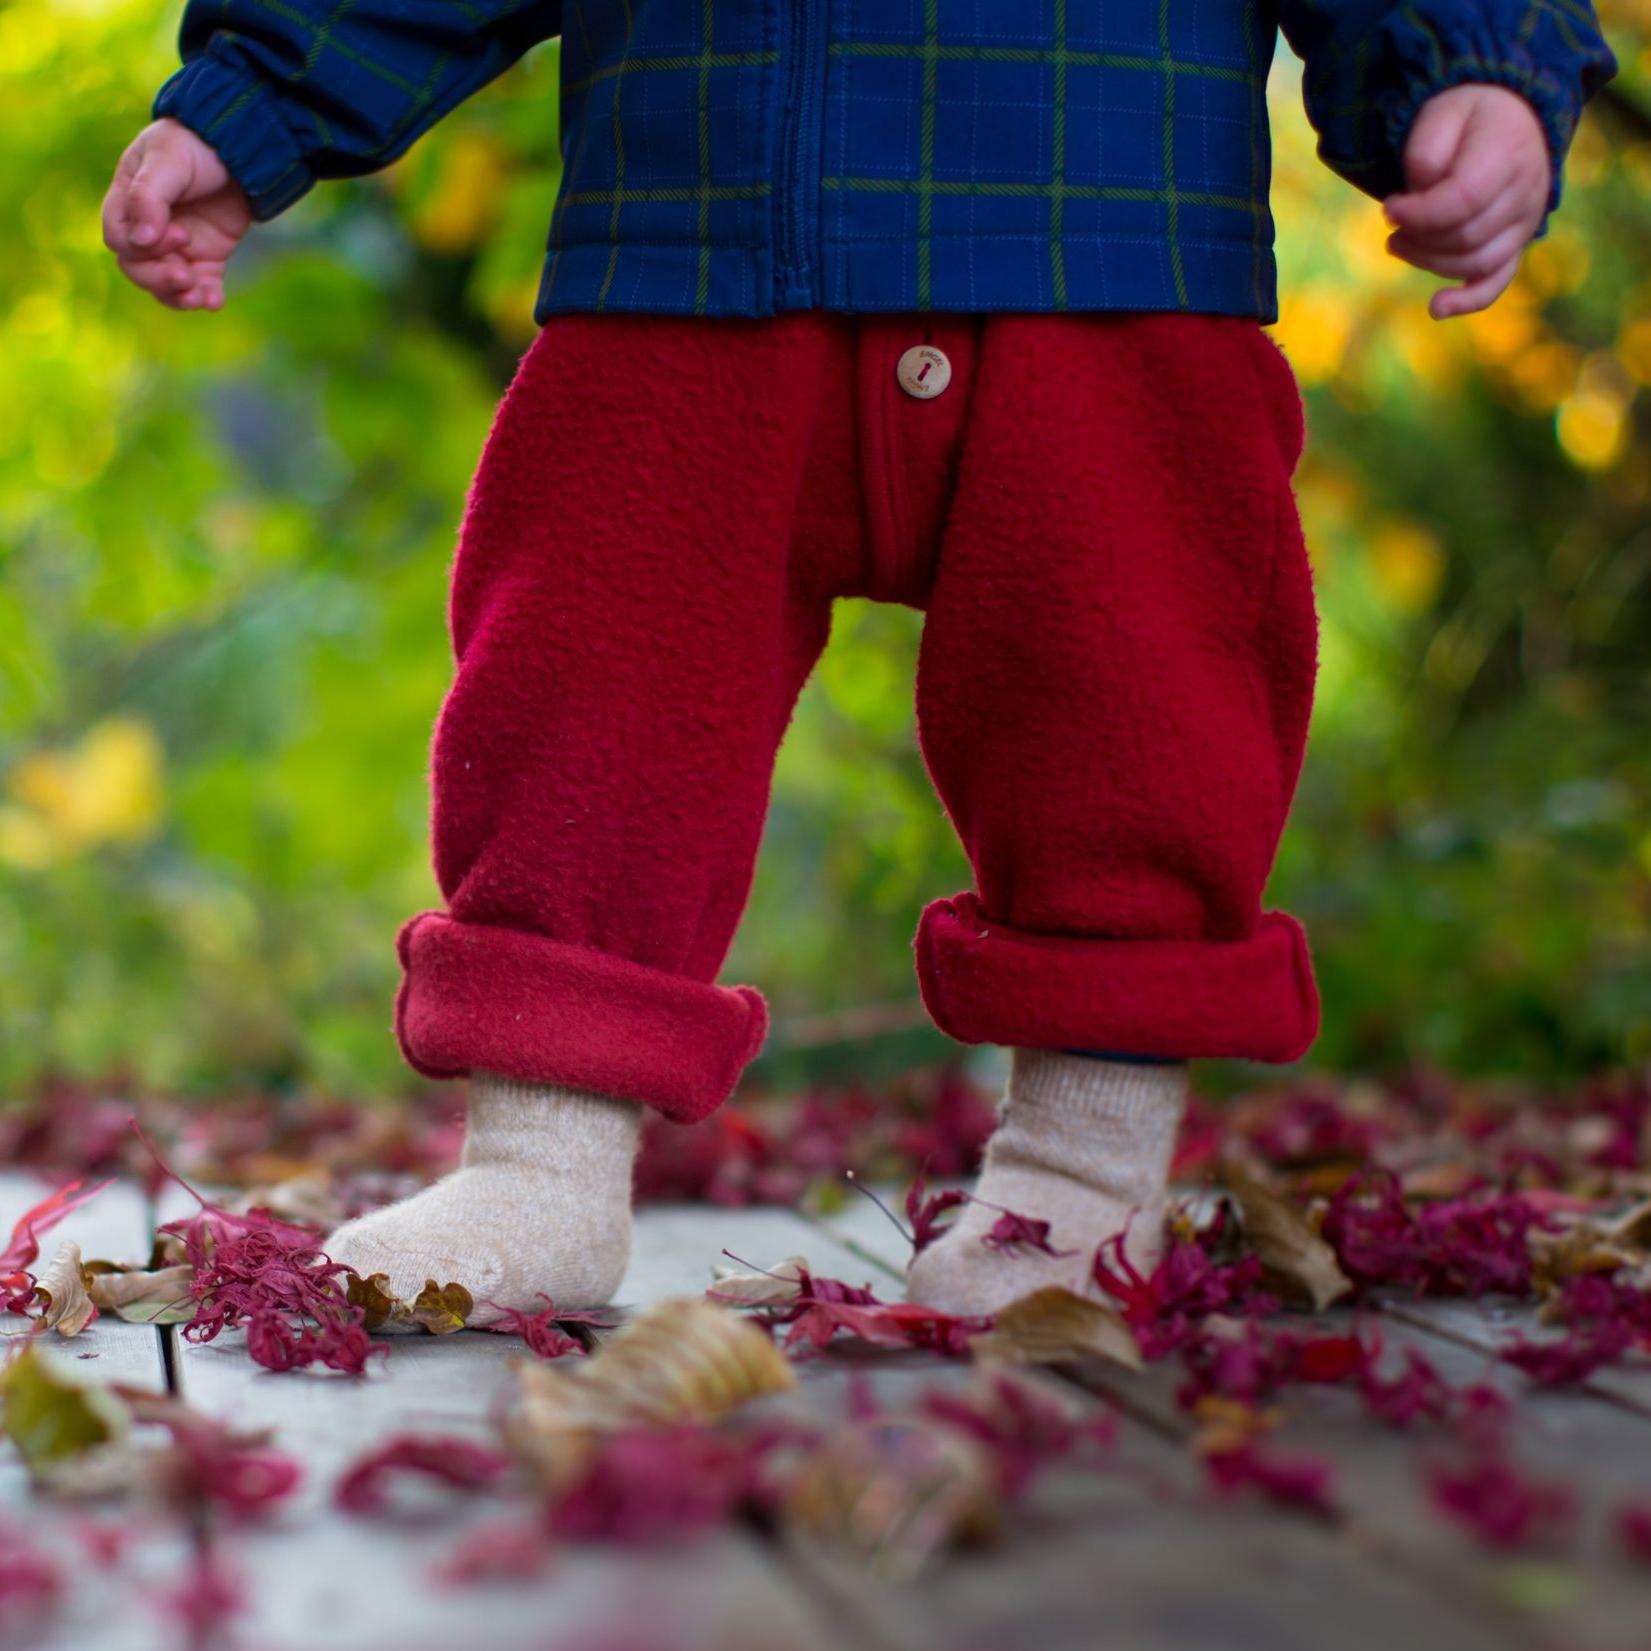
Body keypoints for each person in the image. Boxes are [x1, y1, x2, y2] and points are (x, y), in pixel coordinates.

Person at [103, 2, 1614, 1318]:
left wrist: (1473, 61)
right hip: (692, 239)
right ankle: (541, 1166)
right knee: (588, 679)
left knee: (1139, 697)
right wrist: (251, 99)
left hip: (1109, 245)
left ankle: (1084, 1167)